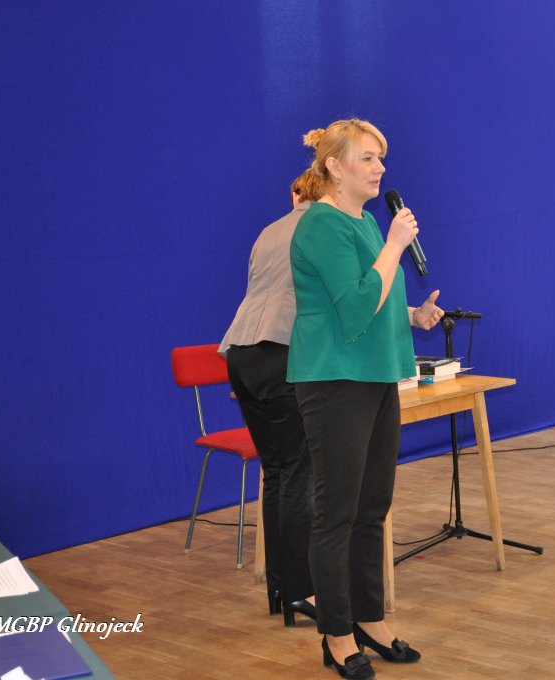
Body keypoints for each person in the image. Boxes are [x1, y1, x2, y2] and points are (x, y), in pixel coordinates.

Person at [288, 118, 443, 679]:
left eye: (381, 157)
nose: (380, 168)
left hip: (376, 376)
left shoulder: (367, 224)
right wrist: (397, 245)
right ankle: (336, 635)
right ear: (334, 166)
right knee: (338, 513)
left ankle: (369, 620)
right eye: (368, 158)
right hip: (335, 381)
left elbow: (373, 298)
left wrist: (414, 315)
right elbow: (354, 308)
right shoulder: (320, 226)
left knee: (372, 507)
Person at [218, 173, 318, 626]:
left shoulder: (268, 231)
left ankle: (280, 589)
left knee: (277, 471)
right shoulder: (323, 229)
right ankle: (301, 591)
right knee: (299, 473)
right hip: (282, 354)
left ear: (294, 194)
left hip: (241, 355)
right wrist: (411, 316)